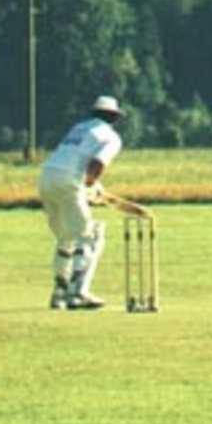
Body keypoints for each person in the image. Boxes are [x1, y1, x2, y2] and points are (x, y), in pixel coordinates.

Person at [38, 95, 124, 310]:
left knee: (66, 237)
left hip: (46, 178)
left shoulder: (79, 128)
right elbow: (96, 164)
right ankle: (78, 293)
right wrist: (89, 185)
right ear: (114, 117)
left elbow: (74, 158)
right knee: (90, 236)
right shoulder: (111, 137)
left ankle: (59, 294)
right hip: (69, 180)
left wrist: (90, 186)